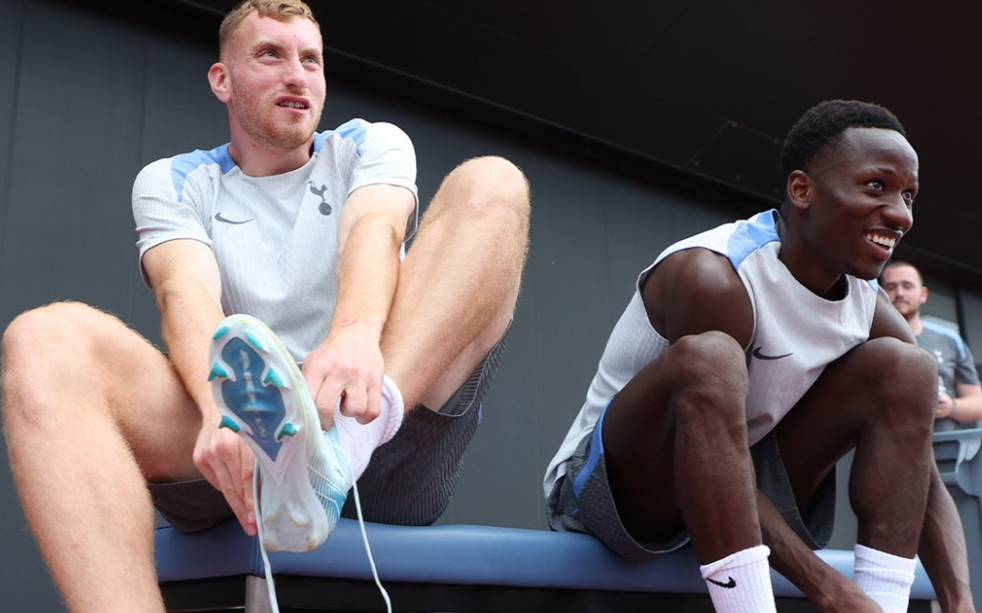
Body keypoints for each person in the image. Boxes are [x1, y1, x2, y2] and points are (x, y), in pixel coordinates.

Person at [0, 0, 530, 611]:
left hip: (376, 426)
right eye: (270, 55)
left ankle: (337, 457)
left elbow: (373, 229)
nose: (297, 75)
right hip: (240, 448)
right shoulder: (173, 181)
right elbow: (185, 292)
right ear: (222, 80)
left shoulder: (369, 145)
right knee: (41, 339)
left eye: (311, 60)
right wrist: (218, 408)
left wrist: (355, 335)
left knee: (493, 184)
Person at [543, 99, 975, 613]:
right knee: (711, 359)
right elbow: (694, 443)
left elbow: (918, 461)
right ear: (802, 190)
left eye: (908, 195)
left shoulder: (867, 302)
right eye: (875, 186)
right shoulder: (717, 275)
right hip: (618, 495)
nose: (901, 215)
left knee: (910, 369)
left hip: (741, 485)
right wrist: (829, 589)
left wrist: (960, 602)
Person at [882, 260, 982, 431]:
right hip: (888, 441)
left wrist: (951, 407)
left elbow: (977, 403)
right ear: (881, 294)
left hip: (945, 443)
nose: (899, 293)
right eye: (891, 287)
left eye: (907, 286)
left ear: (923, 294)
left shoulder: (949, 339)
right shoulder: (869, 337)